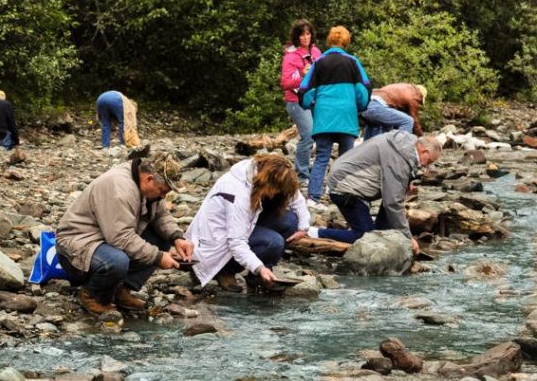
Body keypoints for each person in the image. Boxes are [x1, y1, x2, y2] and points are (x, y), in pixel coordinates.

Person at [55, 154, 195, 316]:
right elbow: (121, 238)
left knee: (163, 238)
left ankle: (118, 289)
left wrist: (177, 238)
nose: (163, 197)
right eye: (162, 191)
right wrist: (158, 257)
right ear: (149, 179)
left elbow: (161, 216)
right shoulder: (120, 188)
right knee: (117, 261)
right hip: (76, 246)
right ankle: (92, 295)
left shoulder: (146, 184)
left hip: (106, 240)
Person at [186, 154, 310, 292]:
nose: (276, 193)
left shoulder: (261, 172)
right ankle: (225, 271)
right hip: (216, 243)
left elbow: (295, 197)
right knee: (274, 242)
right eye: (276, 189)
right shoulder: (238, 192)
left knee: (291, 221)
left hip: (243, 226)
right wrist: (259, 267)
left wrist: (304, 227)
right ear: (268, 181)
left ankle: (257, 276)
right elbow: (236, 242)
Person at [308, 132, 442, 254]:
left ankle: (382, 234)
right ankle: (313, 233)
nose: (426, 166)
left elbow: (395, 188)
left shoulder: (405, 144)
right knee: (366, 238)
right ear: (424, 151)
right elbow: (393, 202)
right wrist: (408, 237)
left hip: (345, 177)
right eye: (429, 161)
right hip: (344, 188)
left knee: (395, 195)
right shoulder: (399, 158)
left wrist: (407, 181)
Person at [299, 25, 371, 210]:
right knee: (347, 159)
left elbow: (305, 90)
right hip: (347, 117)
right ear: (346, 42)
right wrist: (361, 106)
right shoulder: (353, 62)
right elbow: (363, 89)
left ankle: (313, 198)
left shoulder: (319, 62)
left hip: (324, 118)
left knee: (322, 157)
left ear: (330, 41)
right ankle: (344, 196)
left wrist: (307, 104)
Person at [280, 19, 322, 187]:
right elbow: (285, 82)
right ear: (296, 37)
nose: (305, 38)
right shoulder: (290, 57)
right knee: (308, 135)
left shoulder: (317, 52)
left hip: (315, 99)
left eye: (308, 34)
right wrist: (302, 74)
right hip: (296, 101)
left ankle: (310, 169)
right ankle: (302, 174)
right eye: (302, 34)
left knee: (318, 136)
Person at [361, 83, 427, 141]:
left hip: (365, 106)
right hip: (377, 106)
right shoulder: (415, 96)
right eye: (420, 102)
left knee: (380, 127)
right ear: (421, 95)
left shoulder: (403, 88)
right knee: (408, 121)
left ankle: (365, 152)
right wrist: (420, 137)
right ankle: (398, 148)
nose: (418, 104)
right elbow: (414, 120)